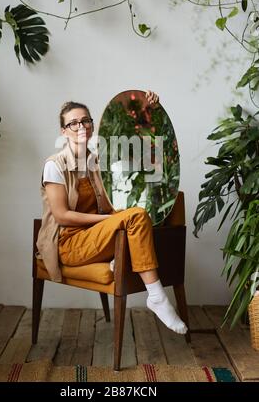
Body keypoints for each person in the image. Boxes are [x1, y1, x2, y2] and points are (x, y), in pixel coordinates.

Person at [37, 91, 187, 334]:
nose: (81, 126)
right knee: (134, 218)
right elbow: (62, 215)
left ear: (93, 125)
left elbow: (141, 158)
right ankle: (157, 297)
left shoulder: (98, 163)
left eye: (85, 120)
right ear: (64, 131)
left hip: (96, 237)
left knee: (140, 212)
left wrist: (150, 112)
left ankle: (130, 258)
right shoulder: (54, 165)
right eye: (73, 123)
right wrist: (110, 220)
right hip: (69, 243)